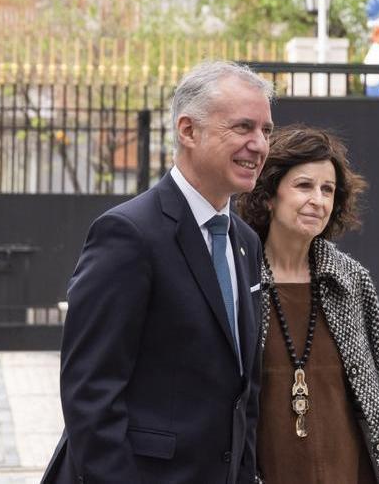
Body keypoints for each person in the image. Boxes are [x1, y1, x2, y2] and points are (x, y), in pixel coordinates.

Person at [42, 61, 273, 484]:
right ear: (188, 131)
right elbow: (90, 394)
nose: (258, 145)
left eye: (266, 130)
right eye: (243, 127)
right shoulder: (128, 234)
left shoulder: (245, 242)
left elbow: (244, 390)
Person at [237, 125, 379, 483]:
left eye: (328, 190)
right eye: (304, 186)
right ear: (269, 194)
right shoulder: (238, 278)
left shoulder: (351, 280)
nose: (318, 201)